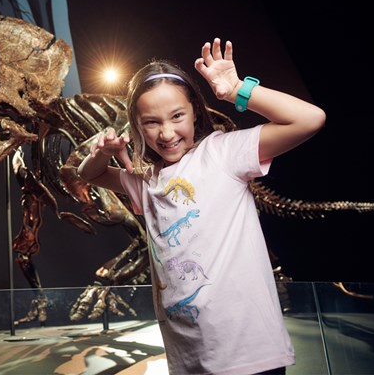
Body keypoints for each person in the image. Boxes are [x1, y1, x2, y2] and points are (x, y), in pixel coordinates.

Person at [77, 38, 326, 374]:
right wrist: (102, 152)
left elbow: (310, 119)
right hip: (189, 360)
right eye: (151, 122)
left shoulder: (223, 153)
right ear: (136, 124)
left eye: (177, 115)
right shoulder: (147, 181)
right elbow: (87, 174)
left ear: (195, 109)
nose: (166, 133)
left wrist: (238, 89)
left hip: (250, 355)